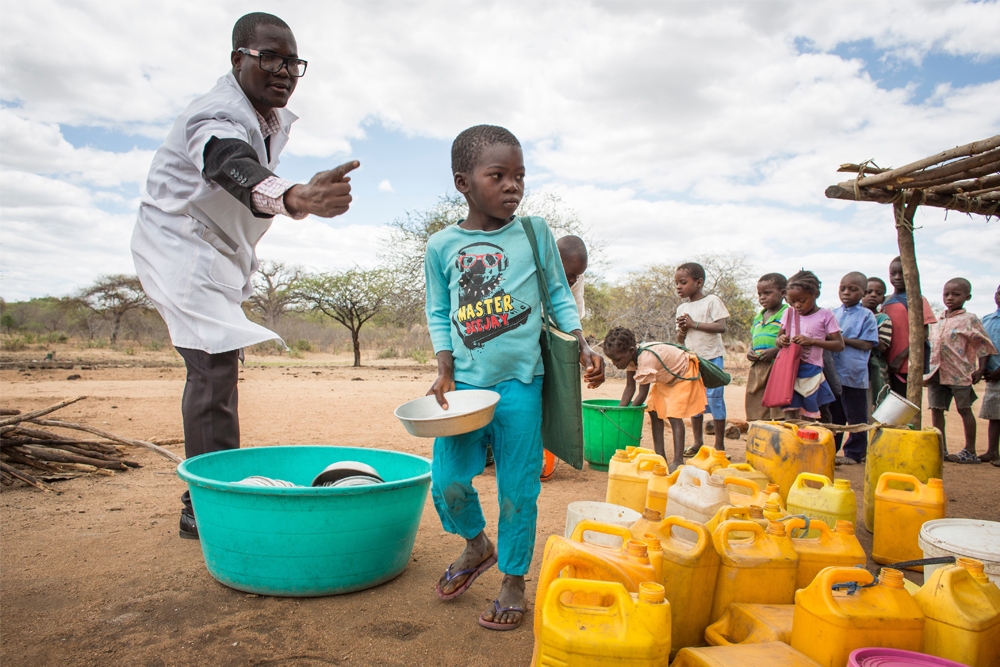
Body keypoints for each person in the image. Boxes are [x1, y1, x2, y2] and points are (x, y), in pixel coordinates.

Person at [131, 12, 358, 540]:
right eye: (269, 58)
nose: (283, 71)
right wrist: (296, 196)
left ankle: (211, 491)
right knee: (212, 367)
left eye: (292, 62)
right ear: (238, 59)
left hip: (218, 250)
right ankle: (206, 502)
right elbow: (224, 161)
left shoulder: (267, 118)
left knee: (218, 364)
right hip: (178, 245)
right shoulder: (214, 113)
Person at [423, 125, 605, 630]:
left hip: (522, 385)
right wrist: (443, 368)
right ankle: (476, 544)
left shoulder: (534, 233)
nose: (512, 186)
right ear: (464, 182)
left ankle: (513, 580)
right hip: (466, 391)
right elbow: (439, 312)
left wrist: (581, 342)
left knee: (519, 488)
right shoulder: (442, 245)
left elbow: (558, 293)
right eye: (498, 175)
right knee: (449, 482)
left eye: (519, 176)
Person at [607, 327, 707, 471]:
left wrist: (629, 413)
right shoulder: (630, 357)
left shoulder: (646, 358)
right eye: (612, 360)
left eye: (616, 359)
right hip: (665, 377)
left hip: (683, 373)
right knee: (653, 410)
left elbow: (641, 394)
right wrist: (620, 413)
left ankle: (678, 460)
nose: (614, 363)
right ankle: (660, 456)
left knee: (674, 414)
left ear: (630, 351)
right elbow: (630, 388)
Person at [924, 278, 997, 463]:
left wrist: (980, 369)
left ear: (967, 296)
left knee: (964, 410)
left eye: (956, 295)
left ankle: (969, 451)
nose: (950, 298)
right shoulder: (938, 319)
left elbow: (982, 344)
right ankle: (940, 449)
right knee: (936, 409)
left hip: (959, 373)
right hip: (936, 373)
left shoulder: (969, 319)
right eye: (946, 294)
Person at [773, 270, 845, 420]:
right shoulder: (789, 313)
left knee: (811, 412)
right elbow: (779, 338)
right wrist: (781, 341)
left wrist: (812, 341)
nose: (797, 305)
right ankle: (792, 441)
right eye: (792, 302)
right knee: (790, 409)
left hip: (812, 371)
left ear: (815, 294)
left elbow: (839, 345)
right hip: (791, 369)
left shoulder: (826, 315)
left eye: (802, 300)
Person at [675, 262, 729, 454]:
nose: (679, 287)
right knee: (695, 402)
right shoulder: (681, 308)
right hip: (692, 359)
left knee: (715, 399)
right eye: (676, 284)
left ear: (699, 282)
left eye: (683, 282)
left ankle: (719, 445)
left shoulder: (712, 301)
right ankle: (698, 443)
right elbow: (681, 338)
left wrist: (694, 324)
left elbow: (721, 326)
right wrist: (683, 329)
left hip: (712, 357)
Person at [830, 272, 880, 464]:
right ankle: (831, 450)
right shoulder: (834, 313)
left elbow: (868, 344)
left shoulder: (867, 316)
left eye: (852, 289)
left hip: (853, 373)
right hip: (834, 373)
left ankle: (854, 453)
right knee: (835, 416)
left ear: (863, 292)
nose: (846, 292)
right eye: (843, 288)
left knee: (856, 415)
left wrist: (840, 340)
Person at [883, 256, 937, 397]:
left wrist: (900, 358)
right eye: (893, 273)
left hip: (908, 363)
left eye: (902, 273)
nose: (897, 277)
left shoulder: (917, 300)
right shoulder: (885, 301)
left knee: (904, 403)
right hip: (887, 363)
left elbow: (923, 333)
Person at [745, 273, 788, 421]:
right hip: (758, 366)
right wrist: (750, 350)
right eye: (759, 294)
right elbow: (753, 339)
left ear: (783, 293)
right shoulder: (759, 316)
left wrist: (777, 351)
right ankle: (760, 431)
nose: (762, 297)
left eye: (767, 293)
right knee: (756, 400)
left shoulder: (787, 314)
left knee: (777, 405)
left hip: (776, 367)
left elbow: (791, 341)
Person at [863, 277, 893, 412]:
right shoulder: (852, 315)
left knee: (872, 404)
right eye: (868, 291)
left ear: (883, 298)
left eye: (878, 293)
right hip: (853, 367)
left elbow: (883, 345)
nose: (873, 295)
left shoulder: (883, 319)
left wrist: (865, 334)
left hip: (873, 366)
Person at [979, 284, 1000, 466]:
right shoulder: (987, 319)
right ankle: (992, 451)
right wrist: (983, 369)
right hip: (992, 376)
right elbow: (983, 347)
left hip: (997, 373)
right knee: (995, 415)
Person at [557, 235, 588, 319]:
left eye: (577, 276)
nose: (574, 280)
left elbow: (575, 315)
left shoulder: (577, 278)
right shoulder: (533, 274)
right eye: (570, 275)